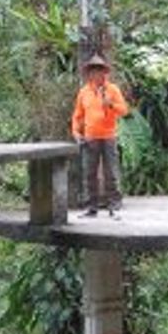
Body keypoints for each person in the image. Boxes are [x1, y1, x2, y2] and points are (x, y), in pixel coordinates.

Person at [71, 53, 129, 217]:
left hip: (109, 136)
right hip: (90, 137)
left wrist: (110, 103)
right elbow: (78, 115)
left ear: (105, 72)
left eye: (101, 70)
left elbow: (124, 110)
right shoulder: (84, 92)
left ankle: (114, 207)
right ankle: (91, 208)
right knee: (90, 173)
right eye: (94, 71)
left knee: (111, 172)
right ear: (89, 73)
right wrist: (76, 132)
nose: (98, 74)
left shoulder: (113, 89)